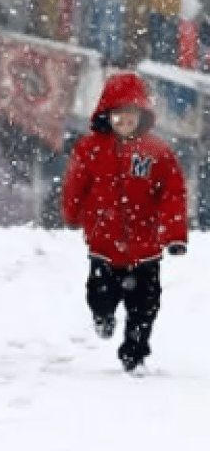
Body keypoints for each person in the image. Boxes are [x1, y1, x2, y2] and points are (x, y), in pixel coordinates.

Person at [61, 71, 188, 376]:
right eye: (118, 114)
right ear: (107, 115)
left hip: (146, 249)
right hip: (104, 244)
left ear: (141, 115)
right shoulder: (90, 148)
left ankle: (134, 354)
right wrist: (72, 213)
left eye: (130, 114)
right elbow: (75, 184)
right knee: (100, 295)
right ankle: (103, 316)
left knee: (144, 307)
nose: (124, 120)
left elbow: (172, 193)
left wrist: (174, 234)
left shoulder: (158, 152)